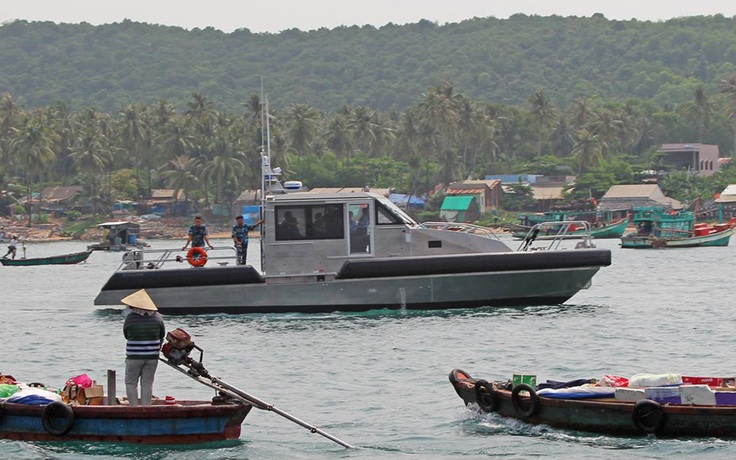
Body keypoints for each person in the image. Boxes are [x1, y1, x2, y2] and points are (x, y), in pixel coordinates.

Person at [121, 289, 165, 406]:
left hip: (134, 356)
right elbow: (162, 336)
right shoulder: (158, 318)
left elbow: (126, 334)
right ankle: (146, 407)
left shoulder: (131, 318)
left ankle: (134, 407)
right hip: (152, 357)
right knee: (147, 383)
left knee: (131, 383)